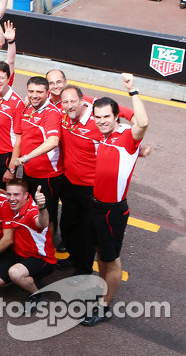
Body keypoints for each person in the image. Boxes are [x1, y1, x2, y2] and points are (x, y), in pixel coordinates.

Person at [82, 73, 149, 326]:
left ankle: (104, 306)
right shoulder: (103, 136)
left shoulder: (127, 138)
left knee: (112, 260)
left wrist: (132, 91)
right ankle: (101, 294)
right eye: (97, 117)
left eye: (106, 117)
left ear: (116, 117)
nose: (101, 122)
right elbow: (82, 98)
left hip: (113, 211)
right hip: (96, 204)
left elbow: (143, 122)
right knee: (100, 253)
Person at [0, 179, 56, 312]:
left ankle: (36, 294)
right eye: (9, 194)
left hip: (41, 259)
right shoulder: (11, 204)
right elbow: (3, 194)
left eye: (16, 195)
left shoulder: (32, 211)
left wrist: (42, 206)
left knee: (15, 273)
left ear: (26, 195)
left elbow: (43, 222)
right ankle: (24, 279)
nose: (12, 198)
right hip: (18, 255)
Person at [9, 76, 63, 240]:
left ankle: (48, 249)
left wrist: (25, 158)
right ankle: (32, 241)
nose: (35, 95)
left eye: (39, 92)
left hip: (47, 176)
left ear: (47, 93)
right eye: (31, 91)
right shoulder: (28, 108)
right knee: (30, 208)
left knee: (48, 213)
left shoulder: (52, 113)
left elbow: (53, 141)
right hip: (29, 172)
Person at [57, 84, 100, 275]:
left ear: (83, 100)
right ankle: (73, 258)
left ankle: (84, 269)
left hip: (91, 188)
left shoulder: (97, 121)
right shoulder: (64, 115)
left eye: (73, 101)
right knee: (67, 225)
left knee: (86, 231)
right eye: (65, 102)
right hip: (69, 182)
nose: (69, 105)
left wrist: (139, 149)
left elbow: (123, 136)